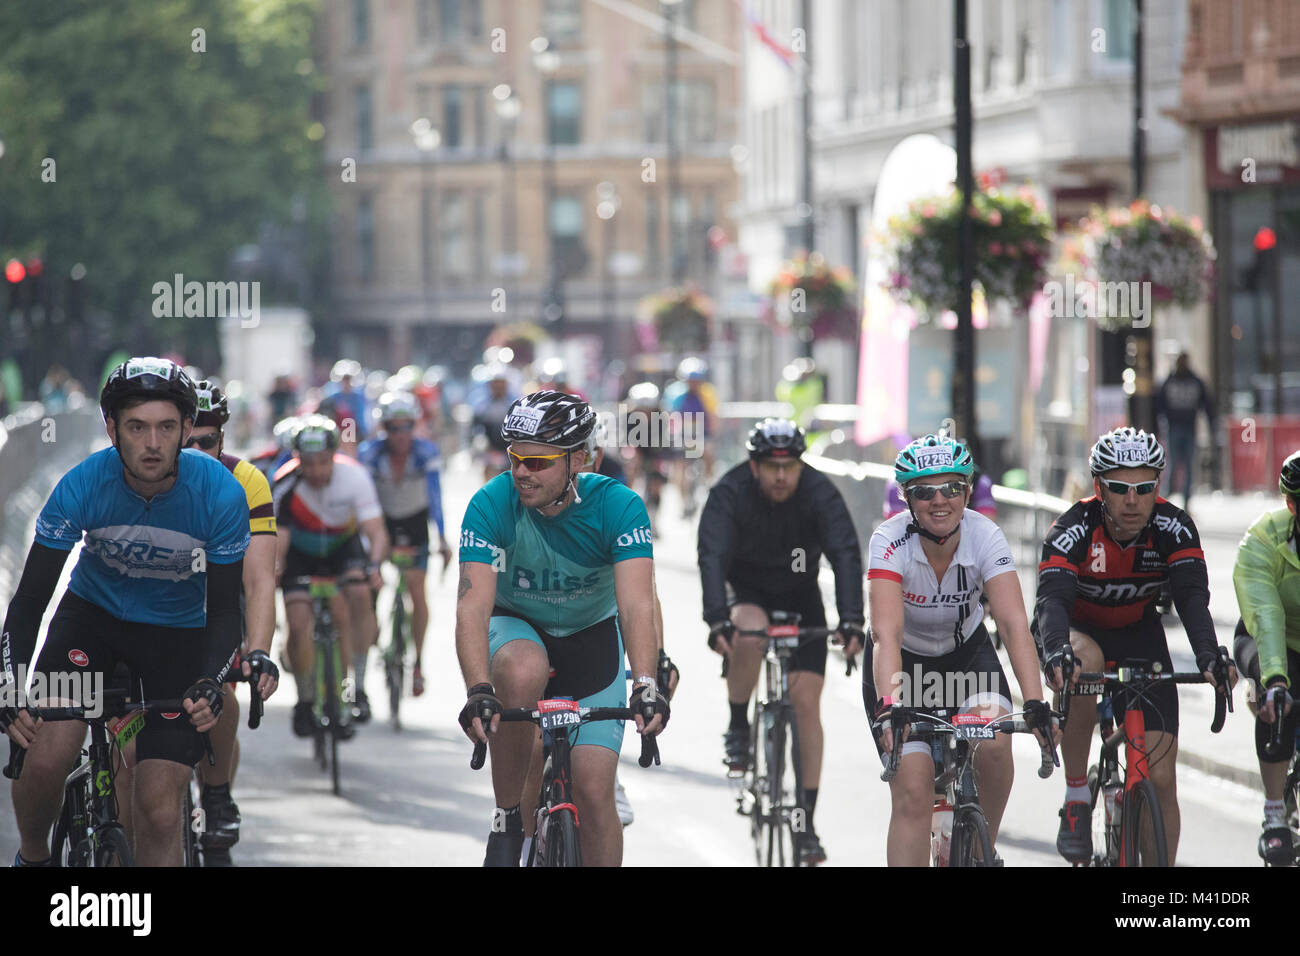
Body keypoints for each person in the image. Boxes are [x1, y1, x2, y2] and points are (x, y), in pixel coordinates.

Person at [1, 357, 248, 866]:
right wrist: (11, 684)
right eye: (137, 427)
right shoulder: (83, 484)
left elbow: (225, 612)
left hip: (176, 636)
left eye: (166, 427)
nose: (153, 443)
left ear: (185, 429)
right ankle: (33, 857)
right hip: (91, 624)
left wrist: (209, 679)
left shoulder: (220, 494)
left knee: (159, 811)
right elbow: (29, 601)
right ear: (112, 429)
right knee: (44, 760)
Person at [455, 391, 669, 867]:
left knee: (595, 793)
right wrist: (479, 688)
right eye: (515, 458)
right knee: (523, 665)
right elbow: (471, 608)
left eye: (538, 461)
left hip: (590, 639)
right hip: (517, 628)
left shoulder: (619, 506)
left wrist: (648, 682)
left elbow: (636, 605)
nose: (522, 472)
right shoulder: (491, 504)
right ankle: (509, 820)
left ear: (579, 459)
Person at [1034, 426, 1235, 866]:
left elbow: (1192, 601)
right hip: (1074, 630)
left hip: (1138, 633)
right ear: (1098, 488)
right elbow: (1052, 602)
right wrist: (1054, 652)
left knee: (1162, 778)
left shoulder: (1174, 526)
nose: (1132, 500)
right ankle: (1075, 799)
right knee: (1081, 661)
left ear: (1157, 488)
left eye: (1143, 488)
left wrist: (1208, 656)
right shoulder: (1073, 528)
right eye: (1119, 488)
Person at [866, 434, 1054, 866]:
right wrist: (891, 704)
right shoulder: (889, 541)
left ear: (968, 491)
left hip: (967, 661)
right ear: (906, 498)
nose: (939, 500)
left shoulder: (985, 535)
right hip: (904, 668)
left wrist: (1035, 703)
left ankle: (975, 845)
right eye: (923, 491)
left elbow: (1012, 625)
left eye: (951, 488)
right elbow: (886, 635)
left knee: (993, 744)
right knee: (914, 791)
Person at [697, 418, 864, 865]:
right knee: (749, 633)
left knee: (806, 700)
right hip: (745, 590)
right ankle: (738, 725)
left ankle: (805, 822)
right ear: (753, 466)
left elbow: (846, 554)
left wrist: (851, 619)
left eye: (789, 466)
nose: (781, 476)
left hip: (799, 594)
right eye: (771, 467)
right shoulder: (729, 493)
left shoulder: (818, 492)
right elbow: (711, 556)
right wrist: (716, 619)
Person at [273, 415, 388, 733]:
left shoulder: (354, 477)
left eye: (323, 462)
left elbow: (376, 532)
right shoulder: (285, 482)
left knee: (360, 593)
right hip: (301, 555)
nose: (316, 471)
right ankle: (305, 700)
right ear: (297, 458)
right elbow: (278, 540)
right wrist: (276, 568)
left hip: (342, 549)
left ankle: (360, 687)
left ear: (334, 456)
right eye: (307, 463)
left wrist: (375, 565)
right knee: (297, 624)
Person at [357, 392, 453, 698]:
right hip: (382, 521)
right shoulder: (369, 452)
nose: (400, 435)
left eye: (406, 427)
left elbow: (436, 497)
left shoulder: (426, 452)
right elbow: (362, 501)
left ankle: (418, 664)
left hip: (414, 523)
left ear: (415, 425)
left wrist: (441, 537)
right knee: (370, 582)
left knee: (416, 590)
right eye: (393, 428)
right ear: (383, 428)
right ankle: (371, 628)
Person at [1232, 449, 1300, 864]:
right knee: (1278, 701)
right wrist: (1273, 679)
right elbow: (1266, 616)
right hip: (1270, 638)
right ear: (1293, 505)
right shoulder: (1264, 539)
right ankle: (1274, 811)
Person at [1155, 352, 1215, 509]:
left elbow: (1207, 405)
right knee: (1174, 464)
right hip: (1174, 427)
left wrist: (1212, 426)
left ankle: (1184, 499)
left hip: (1188, 427)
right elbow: (1159, 405)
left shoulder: (1194, 382)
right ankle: (1166, 498)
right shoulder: (1170, 381)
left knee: (1187, 465)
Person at [664, 357, 719, 519]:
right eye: (690, 380)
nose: (693, 383)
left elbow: (713, 416)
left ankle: (709, 484)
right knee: (680, 466)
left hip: (702, 433)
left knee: (708, 455)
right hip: (682, 432)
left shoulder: (707, 392)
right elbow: (669, 417)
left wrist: (712, 436)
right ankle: (683, 501)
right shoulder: (675, 393)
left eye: (696, 380)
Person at [470, 366, 517, 483]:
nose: (499, 387)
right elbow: (475, 428)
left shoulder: (516, 404)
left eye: (501, 383)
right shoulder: (482, 406)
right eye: (496, 383)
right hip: (490, 450)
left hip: (511, 450)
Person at [318, 359, 370, 454]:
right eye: (344, 379)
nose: (346, 382)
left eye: (348, 379)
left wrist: (360, 436)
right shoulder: (332, 398)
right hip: (336, 434)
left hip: (354, 435)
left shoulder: (358, 398)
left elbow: (361, 420)